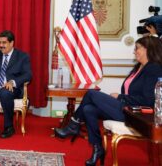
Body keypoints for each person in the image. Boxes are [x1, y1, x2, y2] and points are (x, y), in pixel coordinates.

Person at [54, 36, 162, 166]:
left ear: (147, 49)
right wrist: (121, 98)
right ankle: (97, 148)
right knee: (88, 109)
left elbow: (148, 100)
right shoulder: (138, 68)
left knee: (91, 94)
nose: (134, 51)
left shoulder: (153, 68)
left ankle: (74, 124)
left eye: (137, 48)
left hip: (136, 115)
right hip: (126, 108)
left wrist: (120, 97)